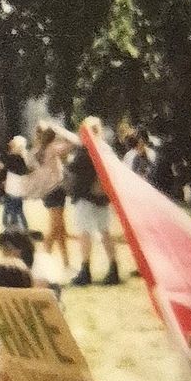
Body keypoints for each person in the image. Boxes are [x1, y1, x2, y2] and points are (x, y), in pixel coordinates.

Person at [65, 118, 122, 285]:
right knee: (104, 233)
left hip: (86, 197)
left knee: (84, 233)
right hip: (101, 198)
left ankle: (85, 271)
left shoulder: (87, 150)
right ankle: (113, 269)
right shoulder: (105, 149)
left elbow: (73, 168)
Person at [25, 119, 74, 274]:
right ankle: (40, 264)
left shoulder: (33, 153)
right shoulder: (52, 148)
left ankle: (66, 264)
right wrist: (60, 130)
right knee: (55, 229)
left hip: (47, 192)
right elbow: (74, 142)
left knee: (60, 229)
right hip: (56, 190)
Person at [0, 135, 29, 229]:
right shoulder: (22, 158)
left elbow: (3, 162)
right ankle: (23, 228)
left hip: (12, 188)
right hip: (18, 188)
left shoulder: (13, 157)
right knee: (18, 210)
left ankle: (12, 228)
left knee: (11, 210)